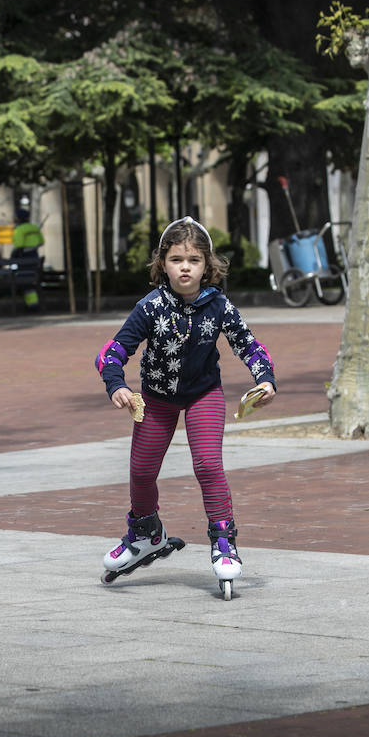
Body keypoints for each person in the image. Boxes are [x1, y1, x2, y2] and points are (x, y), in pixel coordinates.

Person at [94, 217, 276, 595]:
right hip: (156, 399)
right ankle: (146, 533)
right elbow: (112, 353)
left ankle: (224, 540)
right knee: (141, 472)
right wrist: (116, 386)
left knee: (208, 465)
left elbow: (249, 344)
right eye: (177, 259)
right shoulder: (151, 307)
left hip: (203, 394)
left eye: (194, 259)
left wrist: (265, 378)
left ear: (207, 265)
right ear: (163, 263)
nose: (185, 267)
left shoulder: (219, 305)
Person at [10, 207, 45, 311]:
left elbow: (18, 244)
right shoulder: (34, 228)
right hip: (34, 256)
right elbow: (41, 242)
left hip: (23, 258)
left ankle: (32, 305)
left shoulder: (19, 230)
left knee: (26, 283)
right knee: (32, 281)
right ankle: (32, 304)